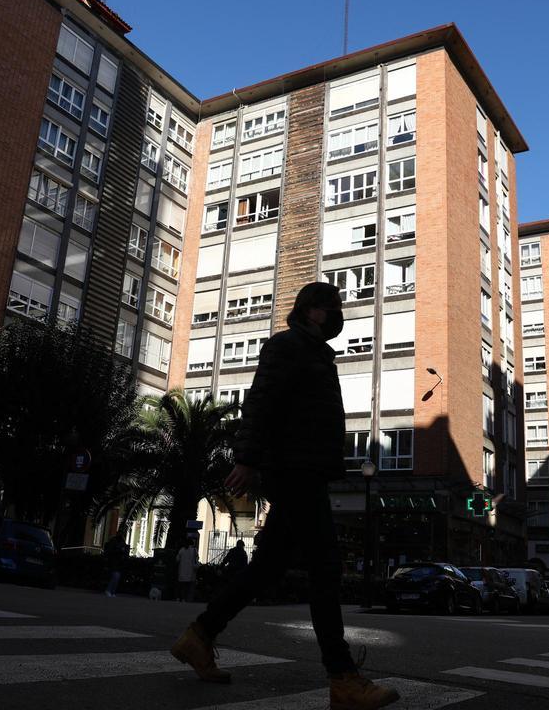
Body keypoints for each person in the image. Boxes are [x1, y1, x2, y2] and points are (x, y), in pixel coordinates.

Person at [170, 282, 400, 710]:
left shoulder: (314, 352)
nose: (339, 314)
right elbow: (261, 402)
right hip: (294, 472)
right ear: (313, 311)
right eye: (335, 307)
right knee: (326, 568)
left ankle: (199, 636)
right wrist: (246, 459)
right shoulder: (288, 346)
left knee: (268, 567)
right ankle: (343, 677)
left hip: (306, 470)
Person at [104, 529, 129, 597]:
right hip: (114, 561)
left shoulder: (121, 541)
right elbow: (110, 551)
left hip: (118, 562)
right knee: (115, 576)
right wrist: (120, 550)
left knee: (117, 577)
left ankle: (112, 591)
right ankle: (109, 590)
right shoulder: (114, 541)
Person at [176, 537, 200, 602]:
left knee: (182, 586)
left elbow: (177, 559)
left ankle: (180, 598)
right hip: (191, 571)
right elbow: (197, 559)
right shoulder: (194, 550)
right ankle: (187, 598)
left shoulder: (182, 550)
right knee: (189, 586)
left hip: (182, 571)